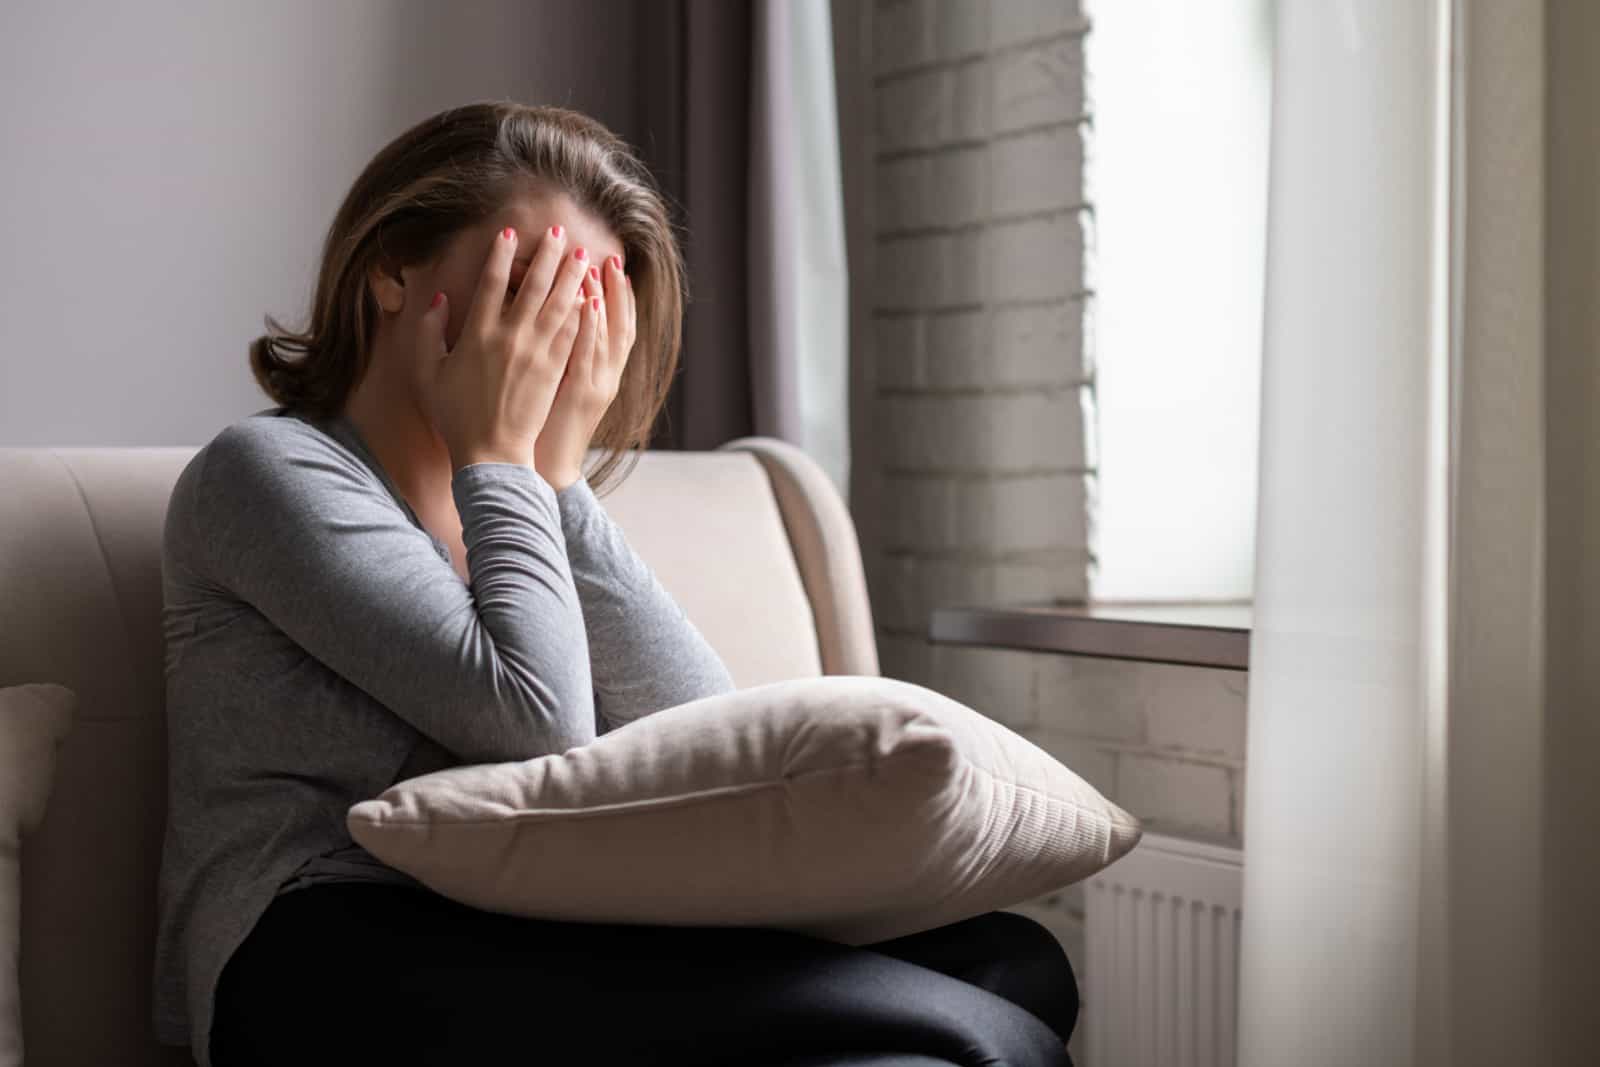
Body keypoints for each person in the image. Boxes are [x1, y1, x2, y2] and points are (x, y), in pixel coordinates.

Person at [150, 100, 1079, 1067]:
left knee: (1014, 961)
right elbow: (537, 723)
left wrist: (554, 478)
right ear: (391, 269)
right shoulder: (265, 473)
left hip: (535, 922)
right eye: (531, 284)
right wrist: (506, 456)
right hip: (318, 953)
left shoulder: (517, 504)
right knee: (982, 1028)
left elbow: (712, 744)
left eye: (584, 305)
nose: (553, 337)